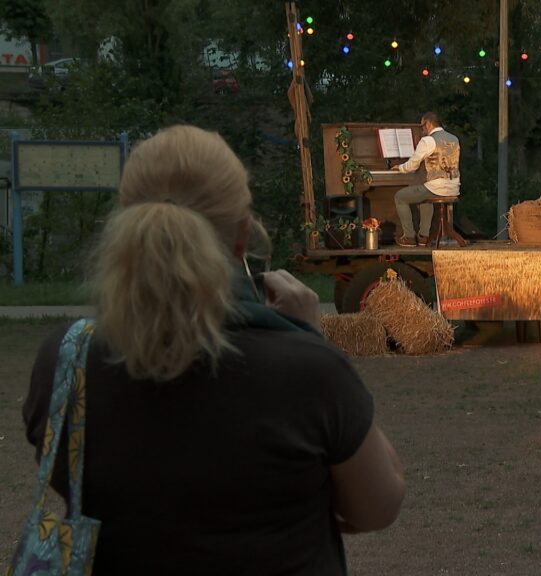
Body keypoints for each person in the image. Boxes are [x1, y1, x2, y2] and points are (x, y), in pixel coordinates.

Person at [22, 125, 405, 575]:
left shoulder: (67, 360)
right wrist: (306, 340)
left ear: (128, 223)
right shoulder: (306, 372)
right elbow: (377, 507)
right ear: (242, 236)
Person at [391, 111, 461, 247]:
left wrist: (399, 167)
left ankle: (409, 237)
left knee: (400, 197)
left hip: (437, 188)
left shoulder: (428, 141)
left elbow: (412, 165)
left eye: (422, 127)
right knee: (424, 193)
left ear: (428, 124)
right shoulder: (454, 138)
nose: (422, 130)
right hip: (454, 187)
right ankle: (423, 236)